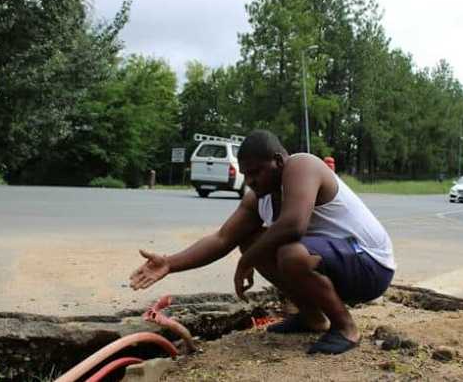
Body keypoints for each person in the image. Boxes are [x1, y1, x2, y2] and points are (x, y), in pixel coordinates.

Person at [129, 129, 396, 355]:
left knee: (289, 253)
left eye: (255, 173)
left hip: (370, 266)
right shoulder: (259, 196)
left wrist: (247, 261)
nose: (250, 182)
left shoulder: (302, 166)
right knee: (252, 241)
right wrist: (169, 263)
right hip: (339, 264)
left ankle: (346, 328)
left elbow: (294, 225)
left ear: (278, 161)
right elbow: (222, 239)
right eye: (245, 174)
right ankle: (312, 317)